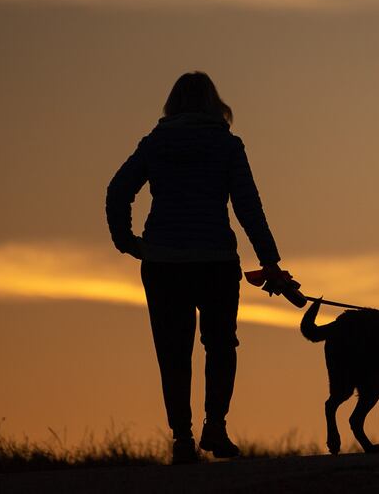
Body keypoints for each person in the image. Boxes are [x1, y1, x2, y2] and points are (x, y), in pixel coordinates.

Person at [105, 71, 283, 464]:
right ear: (214, 104)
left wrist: (128, 242)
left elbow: (118, 189)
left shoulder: (155, 144)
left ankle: (183, 438)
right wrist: (269, 261)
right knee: (220, 345)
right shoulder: (227, 145)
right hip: (215, 261)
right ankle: (215, 427)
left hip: (163, 262)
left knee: (173, 351)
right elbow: (248, 207)